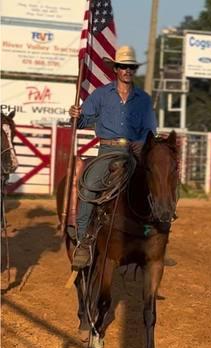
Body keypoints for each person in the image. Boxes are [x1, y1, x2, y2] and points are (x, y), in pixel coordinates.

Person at [69, 45, 157, 268]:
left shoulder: (144, 100)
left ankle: (152, 239)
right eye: (123, 66)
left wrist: (142, 146)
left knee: (155, 189)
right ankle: (83, 242)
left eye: (131, 67)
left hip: (133, 152)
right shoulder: (100, 95)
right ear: (115, 69)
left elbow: (150, 132)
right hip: (107, 152)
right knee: (88, 187)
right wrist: (75, 115)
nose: (127, 70)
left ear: (134, 70)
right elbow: (82, 122)